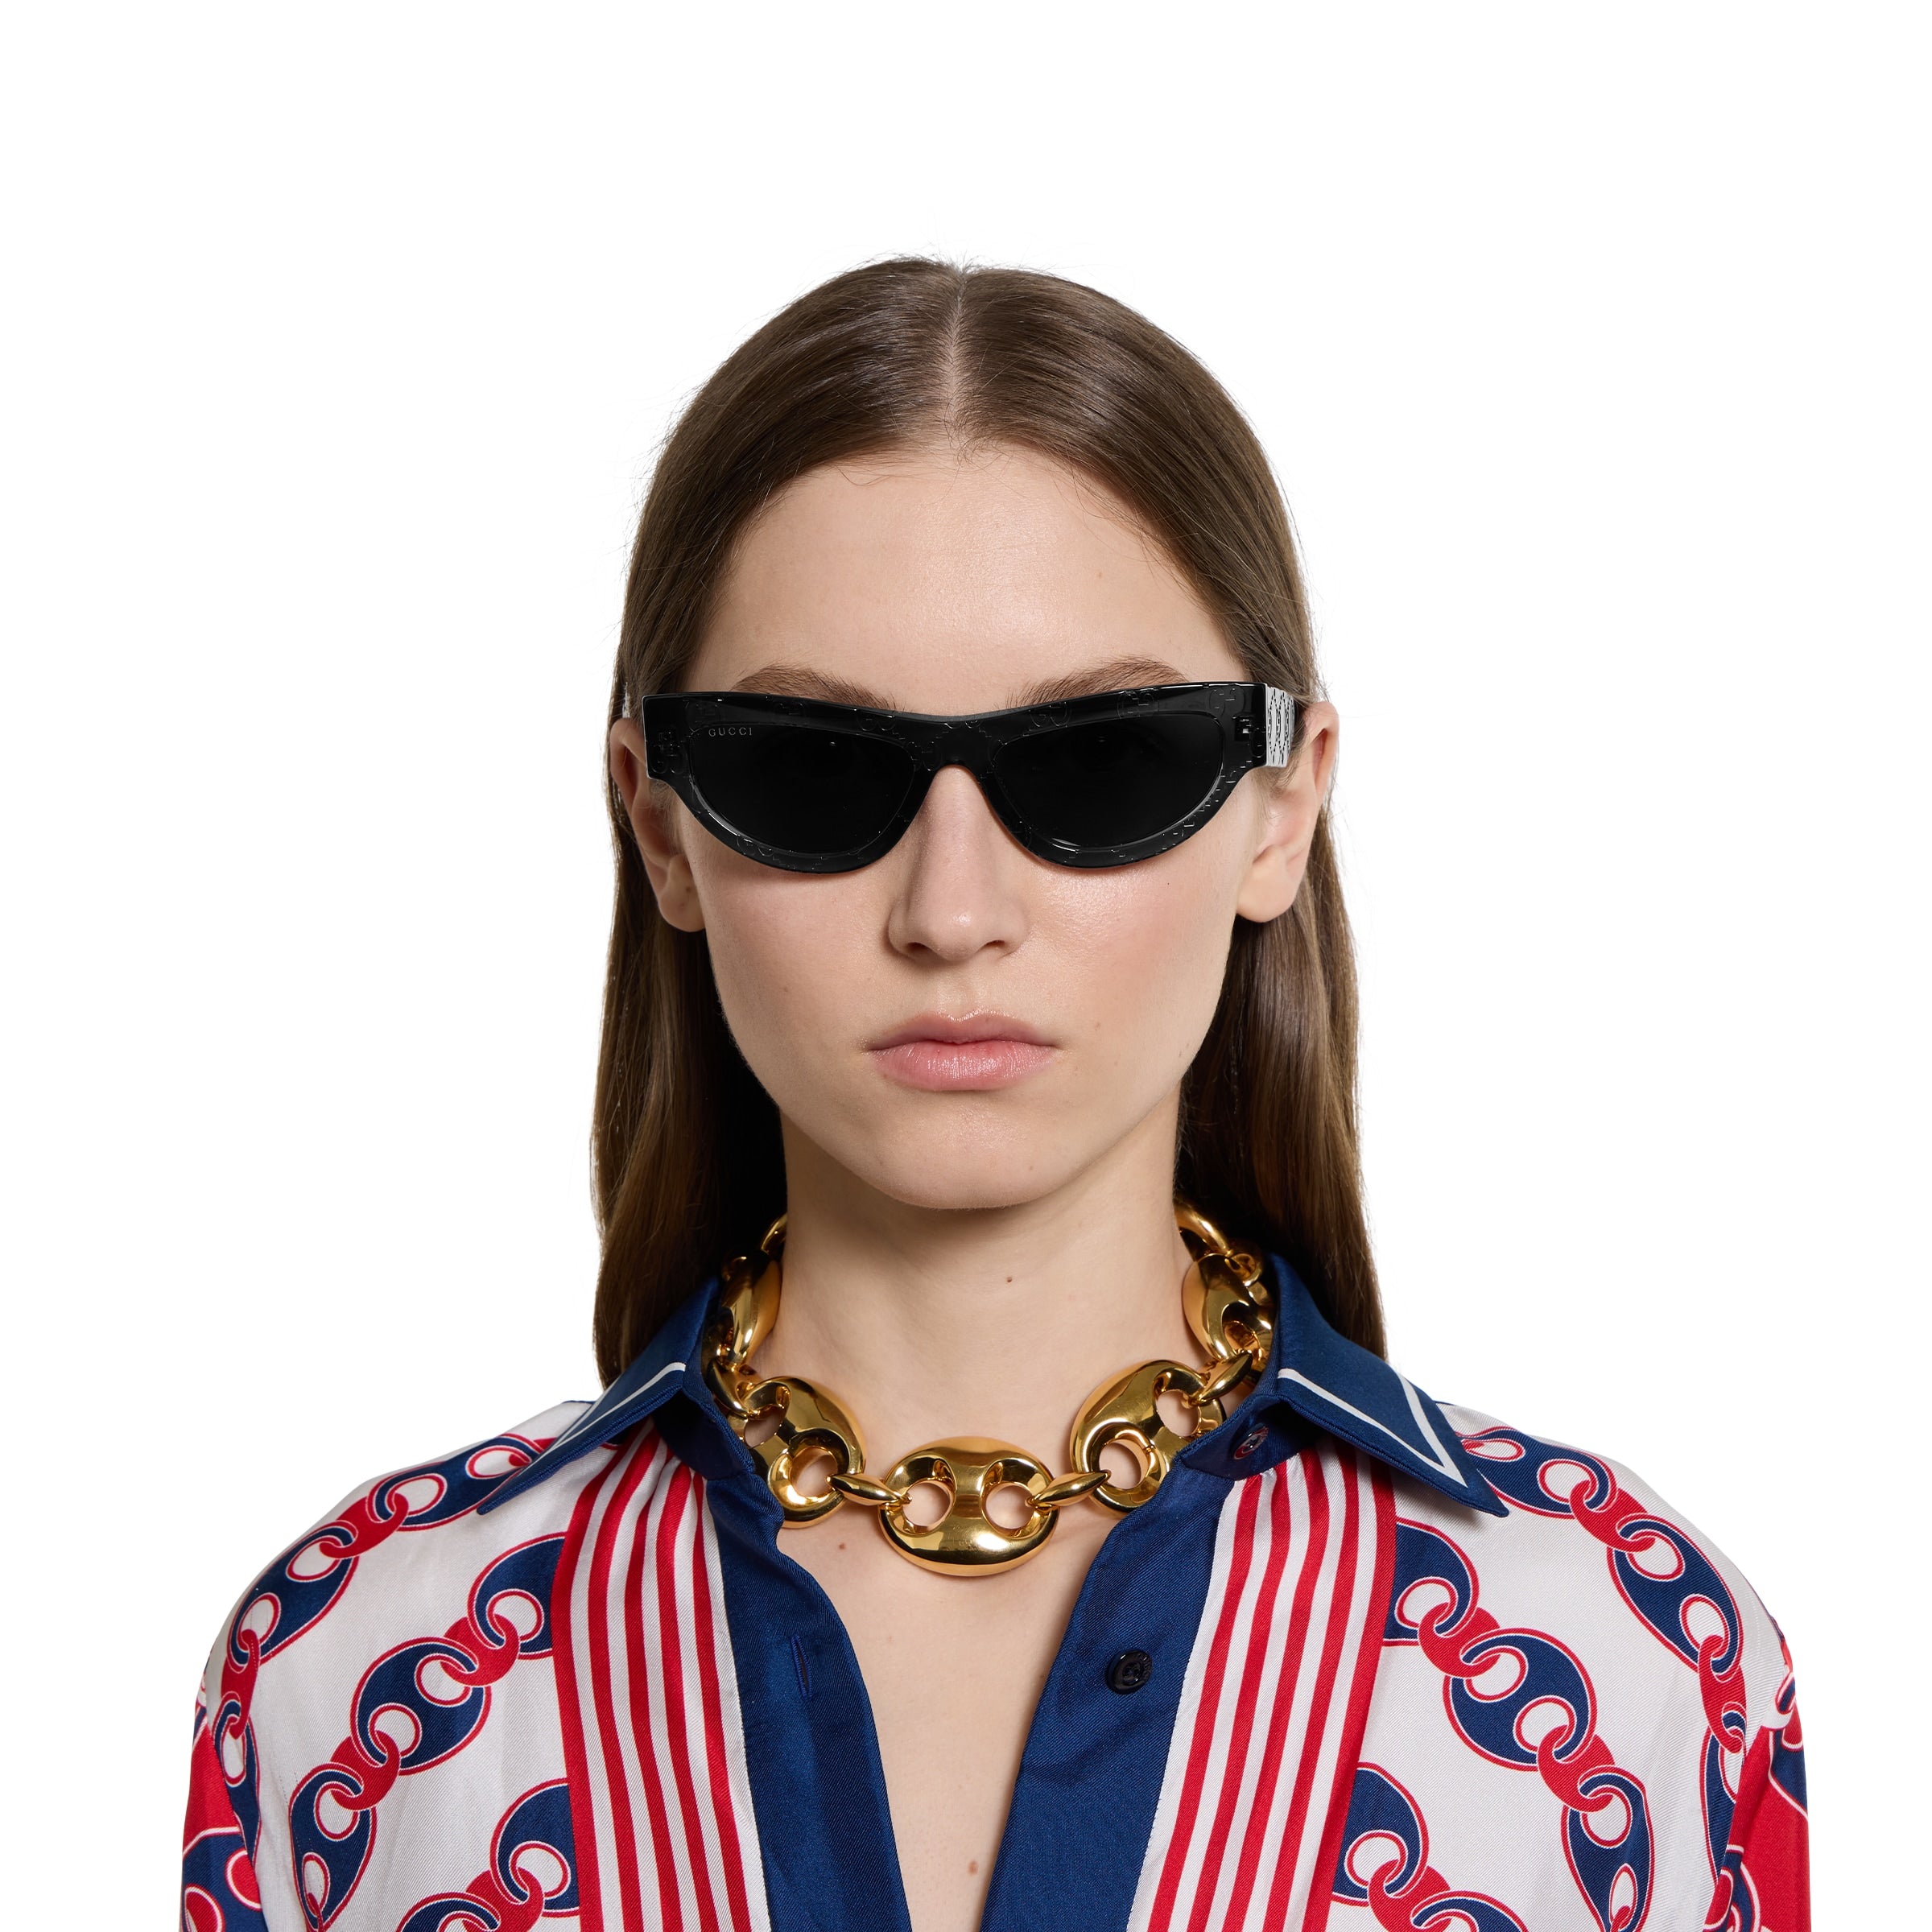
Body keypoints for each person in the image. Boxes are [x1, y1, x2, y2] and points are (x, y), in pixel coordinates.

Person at [180, 258, 1808, 1932]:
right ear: (661, 825)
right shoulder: (352, 1674)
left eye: (1102, 759)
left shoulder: (1635, 1668)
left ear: (1281, 809)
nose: (951, 913)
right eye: (809, 769)